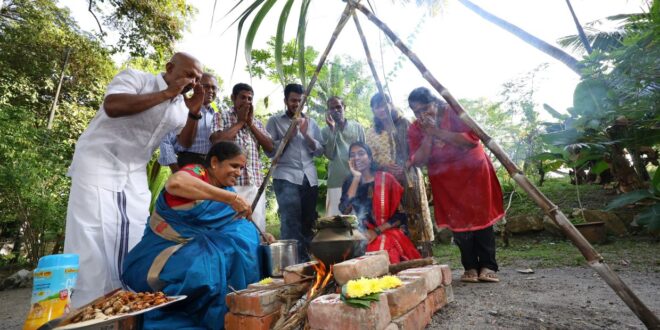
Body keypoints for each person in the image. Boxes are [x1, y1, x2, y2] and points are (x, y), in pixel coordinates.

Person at [64, 52, 204, 307]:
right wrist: (167, 93)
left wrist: (193, 112)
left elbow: (182, 142)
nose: (193, 82)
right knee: (92, 232)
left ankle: (124, 298)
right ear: (169, 68)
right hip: (98, 160)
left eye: (198, 79)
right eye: (188, 75)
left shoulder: (181, 108)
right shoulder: (137, 79)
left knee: (135, 229)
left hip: (134, 170)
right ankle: (86, 305)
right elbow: (113, 106)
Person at [122, 141, 264, 329]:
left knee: (243, 239)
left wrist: (263, 236)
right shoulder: (198, 173)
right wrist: (231, 198)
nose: (238, 172)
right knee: (205, 269)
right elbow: (175, 183)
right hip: (163, 253)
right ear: (214, 162)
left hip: (196, 248)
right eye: (234, 166)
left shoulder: (226, 190)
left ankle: (236, 312)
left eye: (241, 168)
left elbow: (233, 223)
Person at [407, 87, 504, 283]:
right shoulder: (416, 128)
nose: (422, 114)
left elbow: (471, 141)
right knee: (457, 221)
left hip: (473, 172)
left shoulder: (454, 112)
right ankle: (469, 266)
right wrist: (428, 135)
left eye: (426, 108)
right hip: (446, 179)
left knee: (481, 217)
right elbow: (417, 160)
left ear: (435, 102)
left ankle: (487, 265)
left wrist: (436, 131)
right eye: (416, 112)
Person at [366, 93, 435, 256]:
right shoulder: (370, 132)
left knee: (415, 214)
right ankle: (399, 254)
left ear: (391, 104)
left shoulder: (405, 123)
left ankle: (423, 254)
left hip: (409, 177)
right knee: (394, 216)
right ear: (373, 110)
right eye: (377, 107)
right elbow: (369, 158)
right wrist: (384, 167)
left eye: (384, 104)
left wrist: (406, 164)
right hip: (385, 181)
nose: (381, 109)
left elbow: (418, 147)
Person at [266, 83, 324, 262]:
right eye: (293, 100)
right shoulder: (275, 121)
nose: (296, 104)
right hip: (286, 177)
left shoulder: (312, 122)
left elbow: (320, 151)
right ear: (285, 101)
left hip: (309, 178)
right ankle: (291, 264)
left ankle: (308, 261)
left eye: (300, 101)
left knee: (308, 221)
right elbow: (270, 151)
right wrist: (291, 133)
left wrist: (306, 134)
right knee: (290, 222)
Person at [339, 142, 421, 264]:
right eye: (352, 155)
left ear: (370, 158)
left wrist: (376, 231)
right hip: (363, 234)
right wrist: (356, 177)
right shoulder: (350, 183)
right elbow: (344, 209)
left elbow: (400, 216)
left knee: (378, 251)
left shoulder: (387, 179)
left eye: (361, 153)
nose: (356, 158)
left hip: (388, 231)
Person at [210, 83, 273, 233]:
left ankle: (255, 256)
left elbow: (270, 147)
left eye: (250, 99)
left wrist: (250, 124)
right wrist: (240, 122)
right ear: (233, 98)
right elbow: (217, 141)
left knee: (257, 228)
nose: (246, 102)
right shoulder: (221, 116)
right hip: (231, 185)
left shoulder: (256, 122)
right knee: (232, 227)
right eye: (242, 98)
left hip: (255, 184)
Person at [159, 73, 219, 172]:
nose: (211, 90)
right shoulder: (182, 108)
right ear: (196, 87)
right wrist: (175, 169)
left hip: (210, 166)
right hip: (187, 163)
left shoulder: (217, 116)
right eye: (206, 86)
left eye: (214, 88)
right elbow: (165, 141)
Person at [321, 96, 365, 216]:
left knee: (358, 220)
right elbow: (329, 155)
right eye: (332, 108)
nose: (336, 110)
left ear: (344, 107)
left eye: (338, 107)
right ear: (328, 111)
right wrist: (332, 130)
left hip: (356, 181)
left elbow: (365, 153)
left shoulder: (357, 127)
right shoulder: (325, 131)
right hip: (336, 181)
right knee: (337, 221)